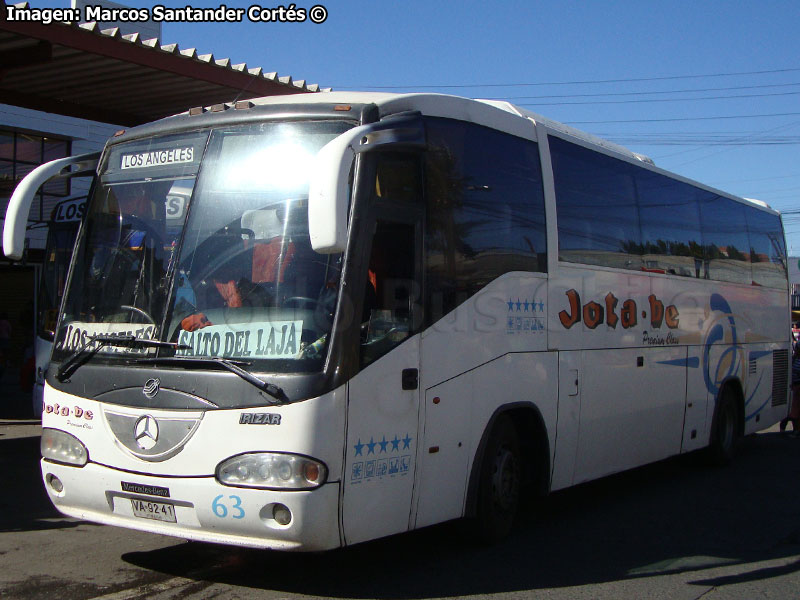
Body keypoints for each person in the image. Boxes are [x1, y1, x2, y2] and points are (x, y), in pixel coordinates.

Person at [780, 343, 800, 435]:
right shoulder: (793, 359)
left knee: (794, 412)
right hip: (792, 387)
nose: (796, 350)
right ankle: (784, 429)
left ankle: (796, 431)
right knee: (791, 410)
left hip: (797, 387)